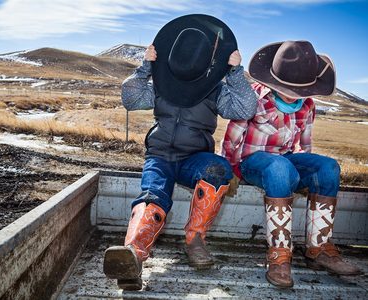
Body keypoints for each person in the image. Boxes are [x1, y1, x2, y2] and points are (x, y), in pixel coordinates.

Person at [102, 14, 257, 290]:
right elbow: (131, 98)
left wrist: (235, 73)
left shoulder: (213, 90)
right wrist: (145, 68)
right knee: (153, 195)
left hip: (194, 159)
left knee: (218, 169)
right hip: (160, 155)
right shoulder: (163, 83)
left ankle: (195, 240)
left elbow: (244, 109)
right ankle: (133, 257)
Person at [222, 40, 362, 288]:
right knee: (279, 167)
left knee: (327, 167)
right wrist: (229, 170)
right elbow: (233, 136)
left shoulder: (307, 105)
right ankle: (279, 253)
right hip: (251, 162)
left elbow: (304, 146)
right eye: (287, 87)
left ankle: (318, 248)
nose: (293, 94)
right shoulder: (254, 96)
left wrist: (310, 177)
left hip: (284, 161)